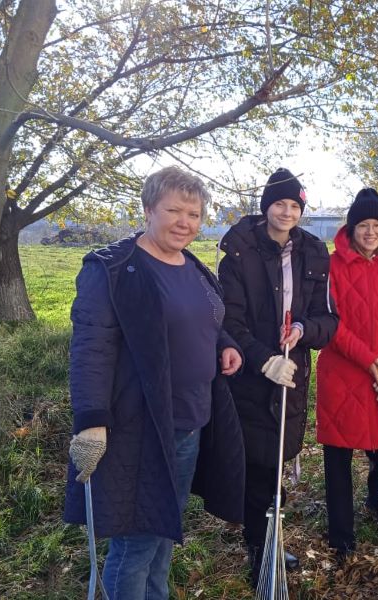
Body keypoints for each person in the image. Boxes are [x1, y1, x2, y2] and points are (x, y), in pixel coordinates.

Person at [63, 166, 246, 599]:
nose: (185, 221)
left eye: (195, 213)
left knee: (164, 529)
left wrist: (225, 344)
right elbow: (92, 346)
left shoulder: (194, 266)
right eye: (174, 210)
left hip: (191, 421)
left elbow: (205, 318)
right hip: (138, 426)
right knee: (137, 541)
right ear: (148, 209)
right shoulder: (113, 268)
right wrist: (90, 420)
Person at [218, 167, 338, 586]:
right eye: (279, 203)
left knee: (278, 462)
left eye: (295, 205)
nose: (287, 212)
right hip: (253, 374)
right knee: (256, 462)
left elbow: (328, 318)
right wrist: (263, 359)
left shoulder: (314, 252)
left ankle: (272, 536)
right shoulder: (238, 250)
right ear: (266, 205)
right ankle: (257, 548)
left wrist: (305, 330)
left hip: (294, 373)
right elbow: (228, 320)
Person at [315, 188, 378, 560]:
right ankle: (342, 535)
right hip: (342, 372)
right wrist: (370, 359)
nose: (371, 232)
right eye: (363, 225)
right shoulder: (332, 265)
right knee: (338, 458)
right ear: (351, 228)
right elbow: (331, 324)